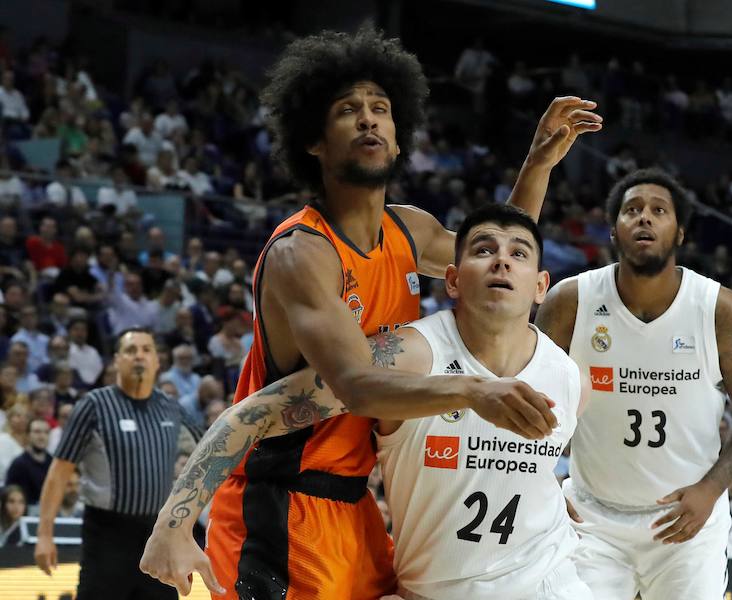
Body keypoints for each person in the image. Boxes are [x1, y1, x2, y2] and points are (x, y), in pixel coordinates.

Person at [139, 26, 601, 600]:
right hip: (281, 502)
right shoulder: (301, 253)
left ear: (399, 137)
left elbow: (494, 255)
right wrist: (470, 389)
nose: (368, 119)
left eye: (381, 109)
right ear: (314, 141)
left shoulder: (410, 228)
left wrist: (537, 166)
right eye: (347, 110)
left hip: (356, 503)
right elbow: (356, 385)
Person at [143, 205, 592, 599]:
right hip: (435, 588)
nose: (501, 263)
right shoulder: (408, 356)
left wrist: (551, 491)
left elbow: (534, 467)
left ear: (540, 285)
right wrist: (173, 523)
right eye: (482, 251)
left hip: (552, 582)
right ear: (451, 280)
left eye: (518, 255)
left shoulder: (569, 377)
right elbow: (251, 414)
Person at [534, 167, 732, 599]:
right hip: (592, 518)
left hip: (688, 519)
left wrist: (711, 488)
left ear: (679, 232)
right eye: (632, 210)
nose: (644, 217)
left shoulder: (721, 310)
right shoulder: (570, 302)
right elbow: (528, 397)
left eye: (658, 210)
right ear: (613, 231)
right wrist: (541, 481)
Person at [34, 328, 204, 600]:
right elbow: (59, 472)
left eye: (146, 350)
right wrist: (44, 534)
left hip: (156, 536)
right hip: (106, 535)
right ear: (116, 360)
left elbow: (212, 451)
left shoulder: (172, 407)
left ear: (158, 361)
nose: (139, 356)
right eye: (131, 350)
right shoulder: (94, 405)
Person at [4, 417, 51, 507]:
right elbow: (8, 495)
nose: (42, 436)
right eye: (37, 432)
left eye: (46, 432)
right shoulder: (18, 464)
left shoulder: (53, 464)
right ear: (28, 435)